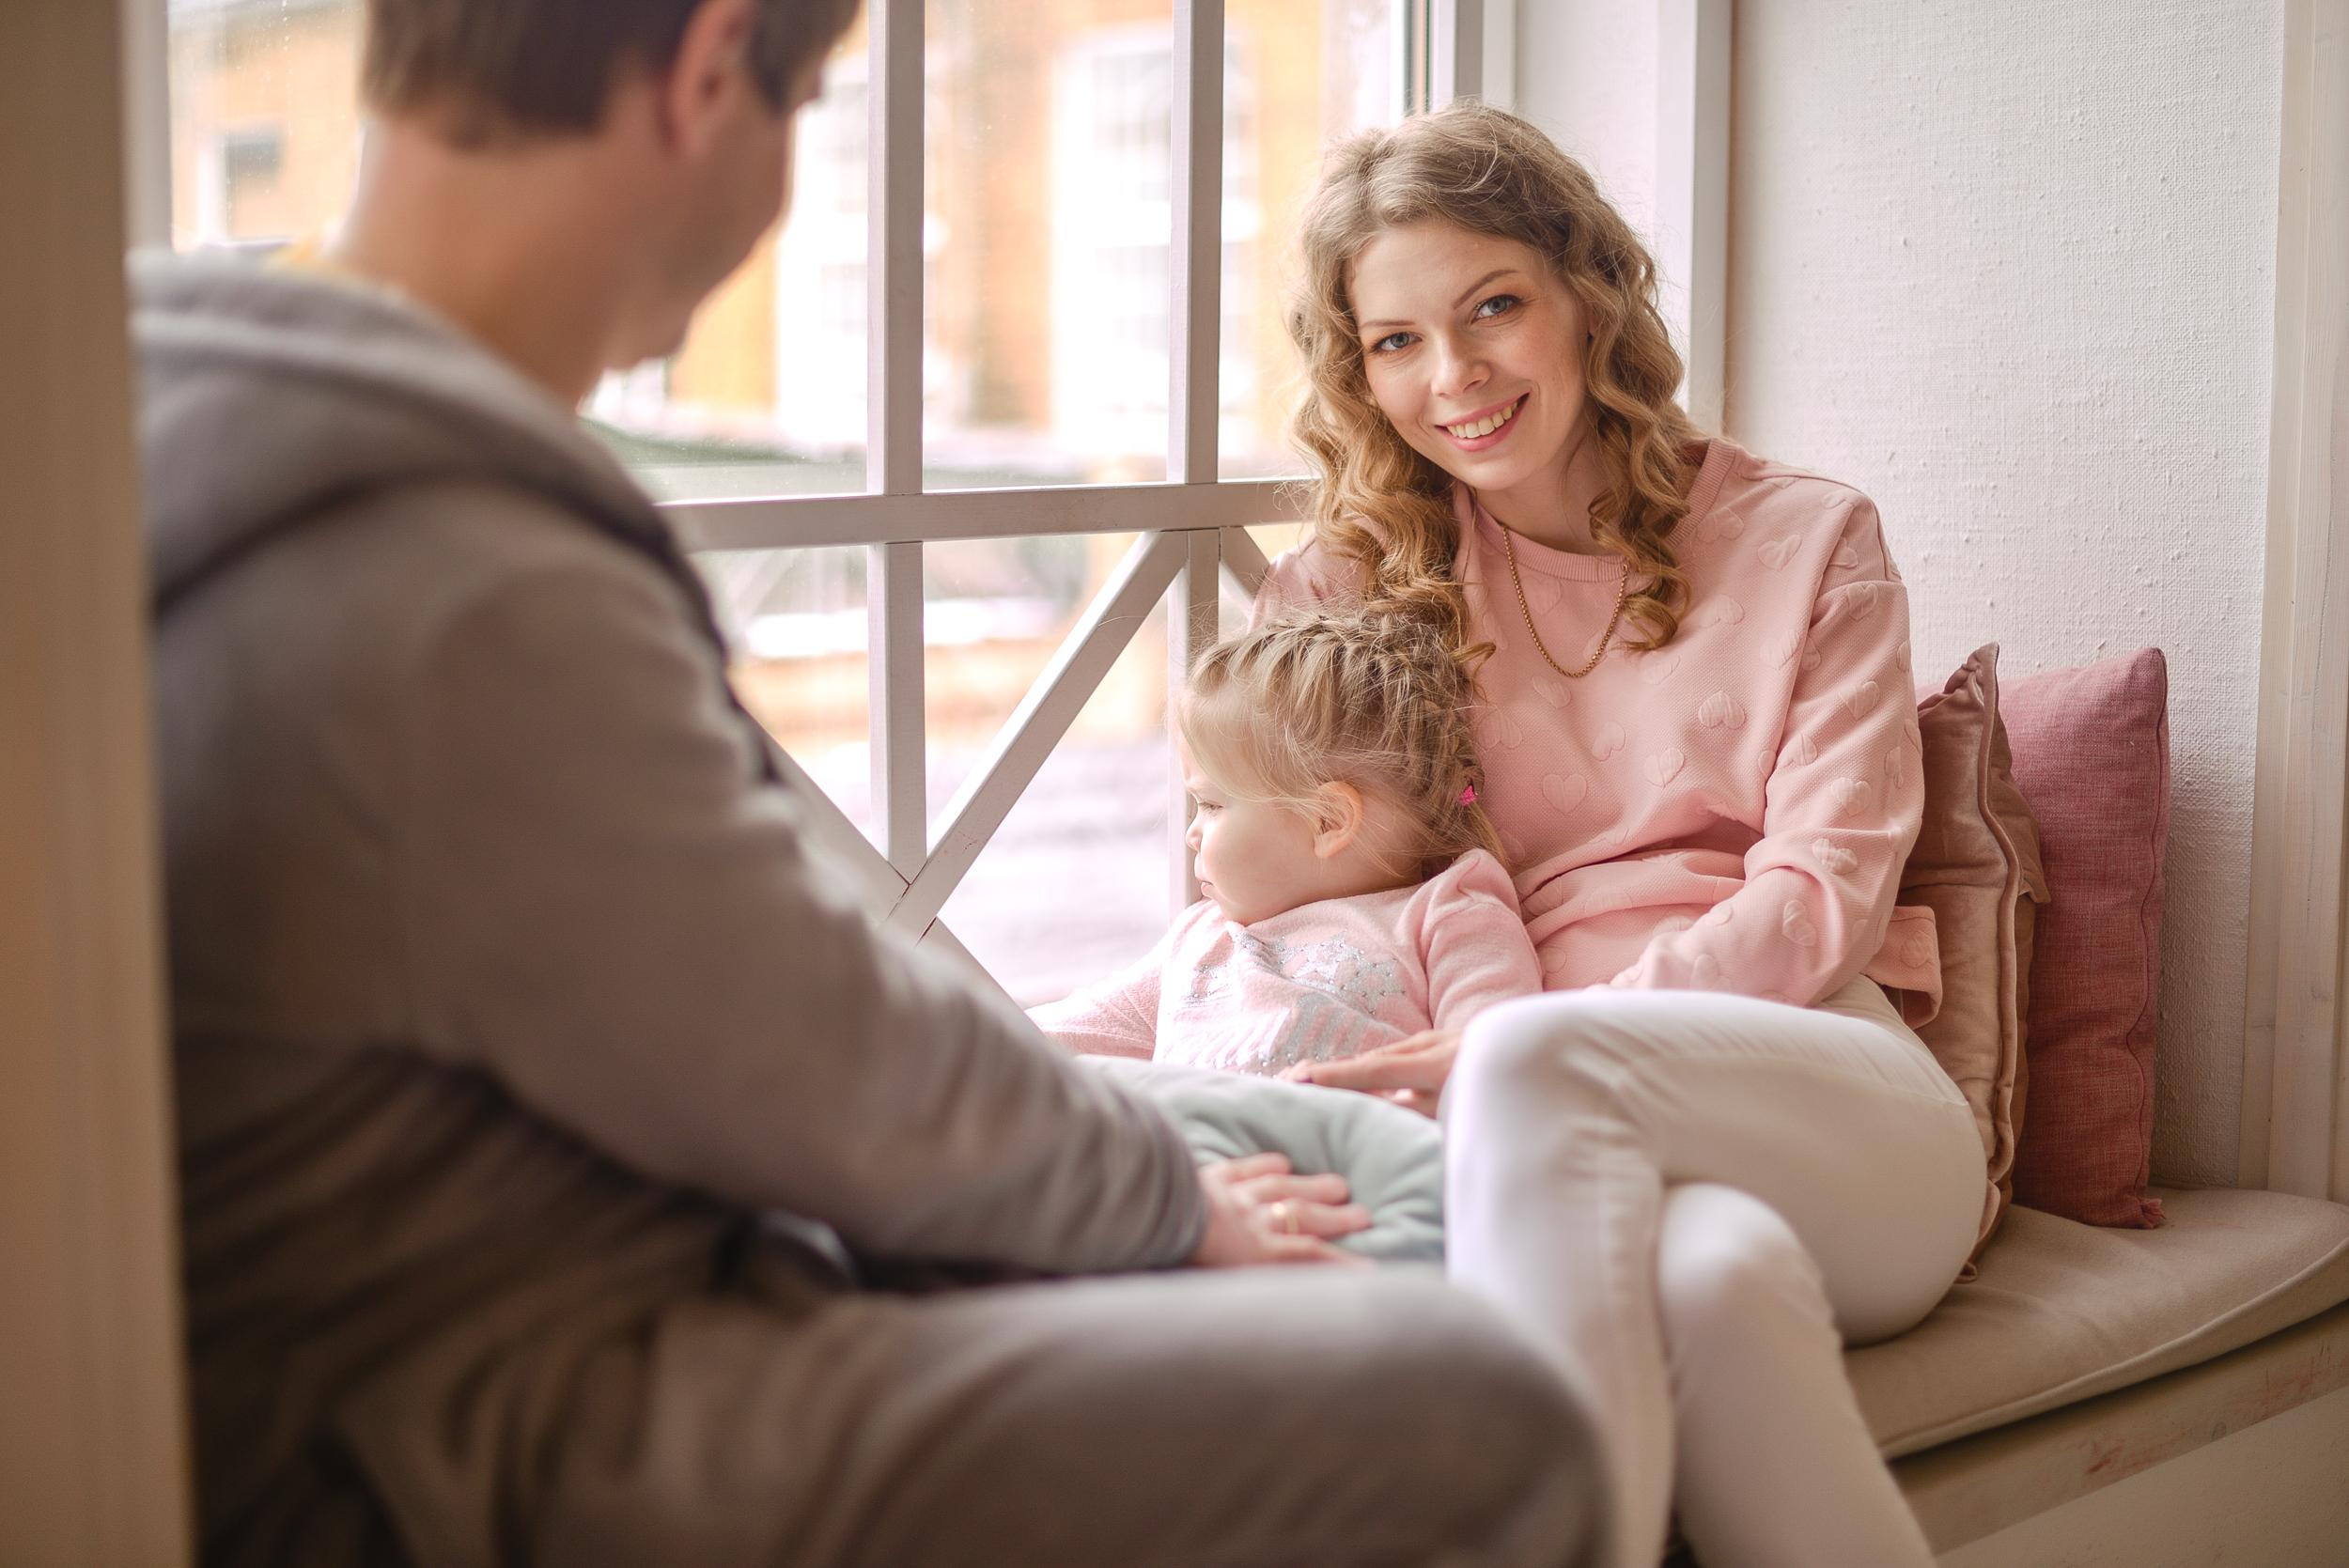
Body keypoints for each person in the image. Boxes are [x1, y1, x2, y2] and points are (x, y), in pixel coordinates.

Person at [132, 5, 1613, 1563]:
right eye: (811, 105)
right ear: (711, 71)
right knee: (1482, 1407)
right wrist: (1176, 1209)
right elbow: (805, 1045)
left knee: (1190, 1126)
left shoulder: (175, 388)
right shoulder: (462, 573)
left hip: (443, 1292)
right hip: (484, 1395)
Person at [1257, 101, 1989, 1568]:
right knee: (1712, 1289)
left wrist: (1541, 1037)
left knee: (1537, 1054)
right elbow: (1263, 903)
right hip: (1555, 1139)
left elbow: (1822, 898)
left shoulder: (1808, 539)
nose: (1452, 376)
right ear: (1358, 370)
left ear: (1587, 294)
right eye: (1395, 341)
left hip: (1826, 1090)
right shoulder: (1338, 592)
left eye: (1493, 308)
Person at [1033, 608, 1539, 1086]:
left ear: (1327, 820)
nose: (1192, 834)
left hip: (1362, 1153)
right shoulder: (1202, 942)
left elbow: (1500, 1067)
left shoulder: (1448, 914)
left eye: (1211, 805)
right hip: (1202, 1161)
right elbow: (1052, 1039)